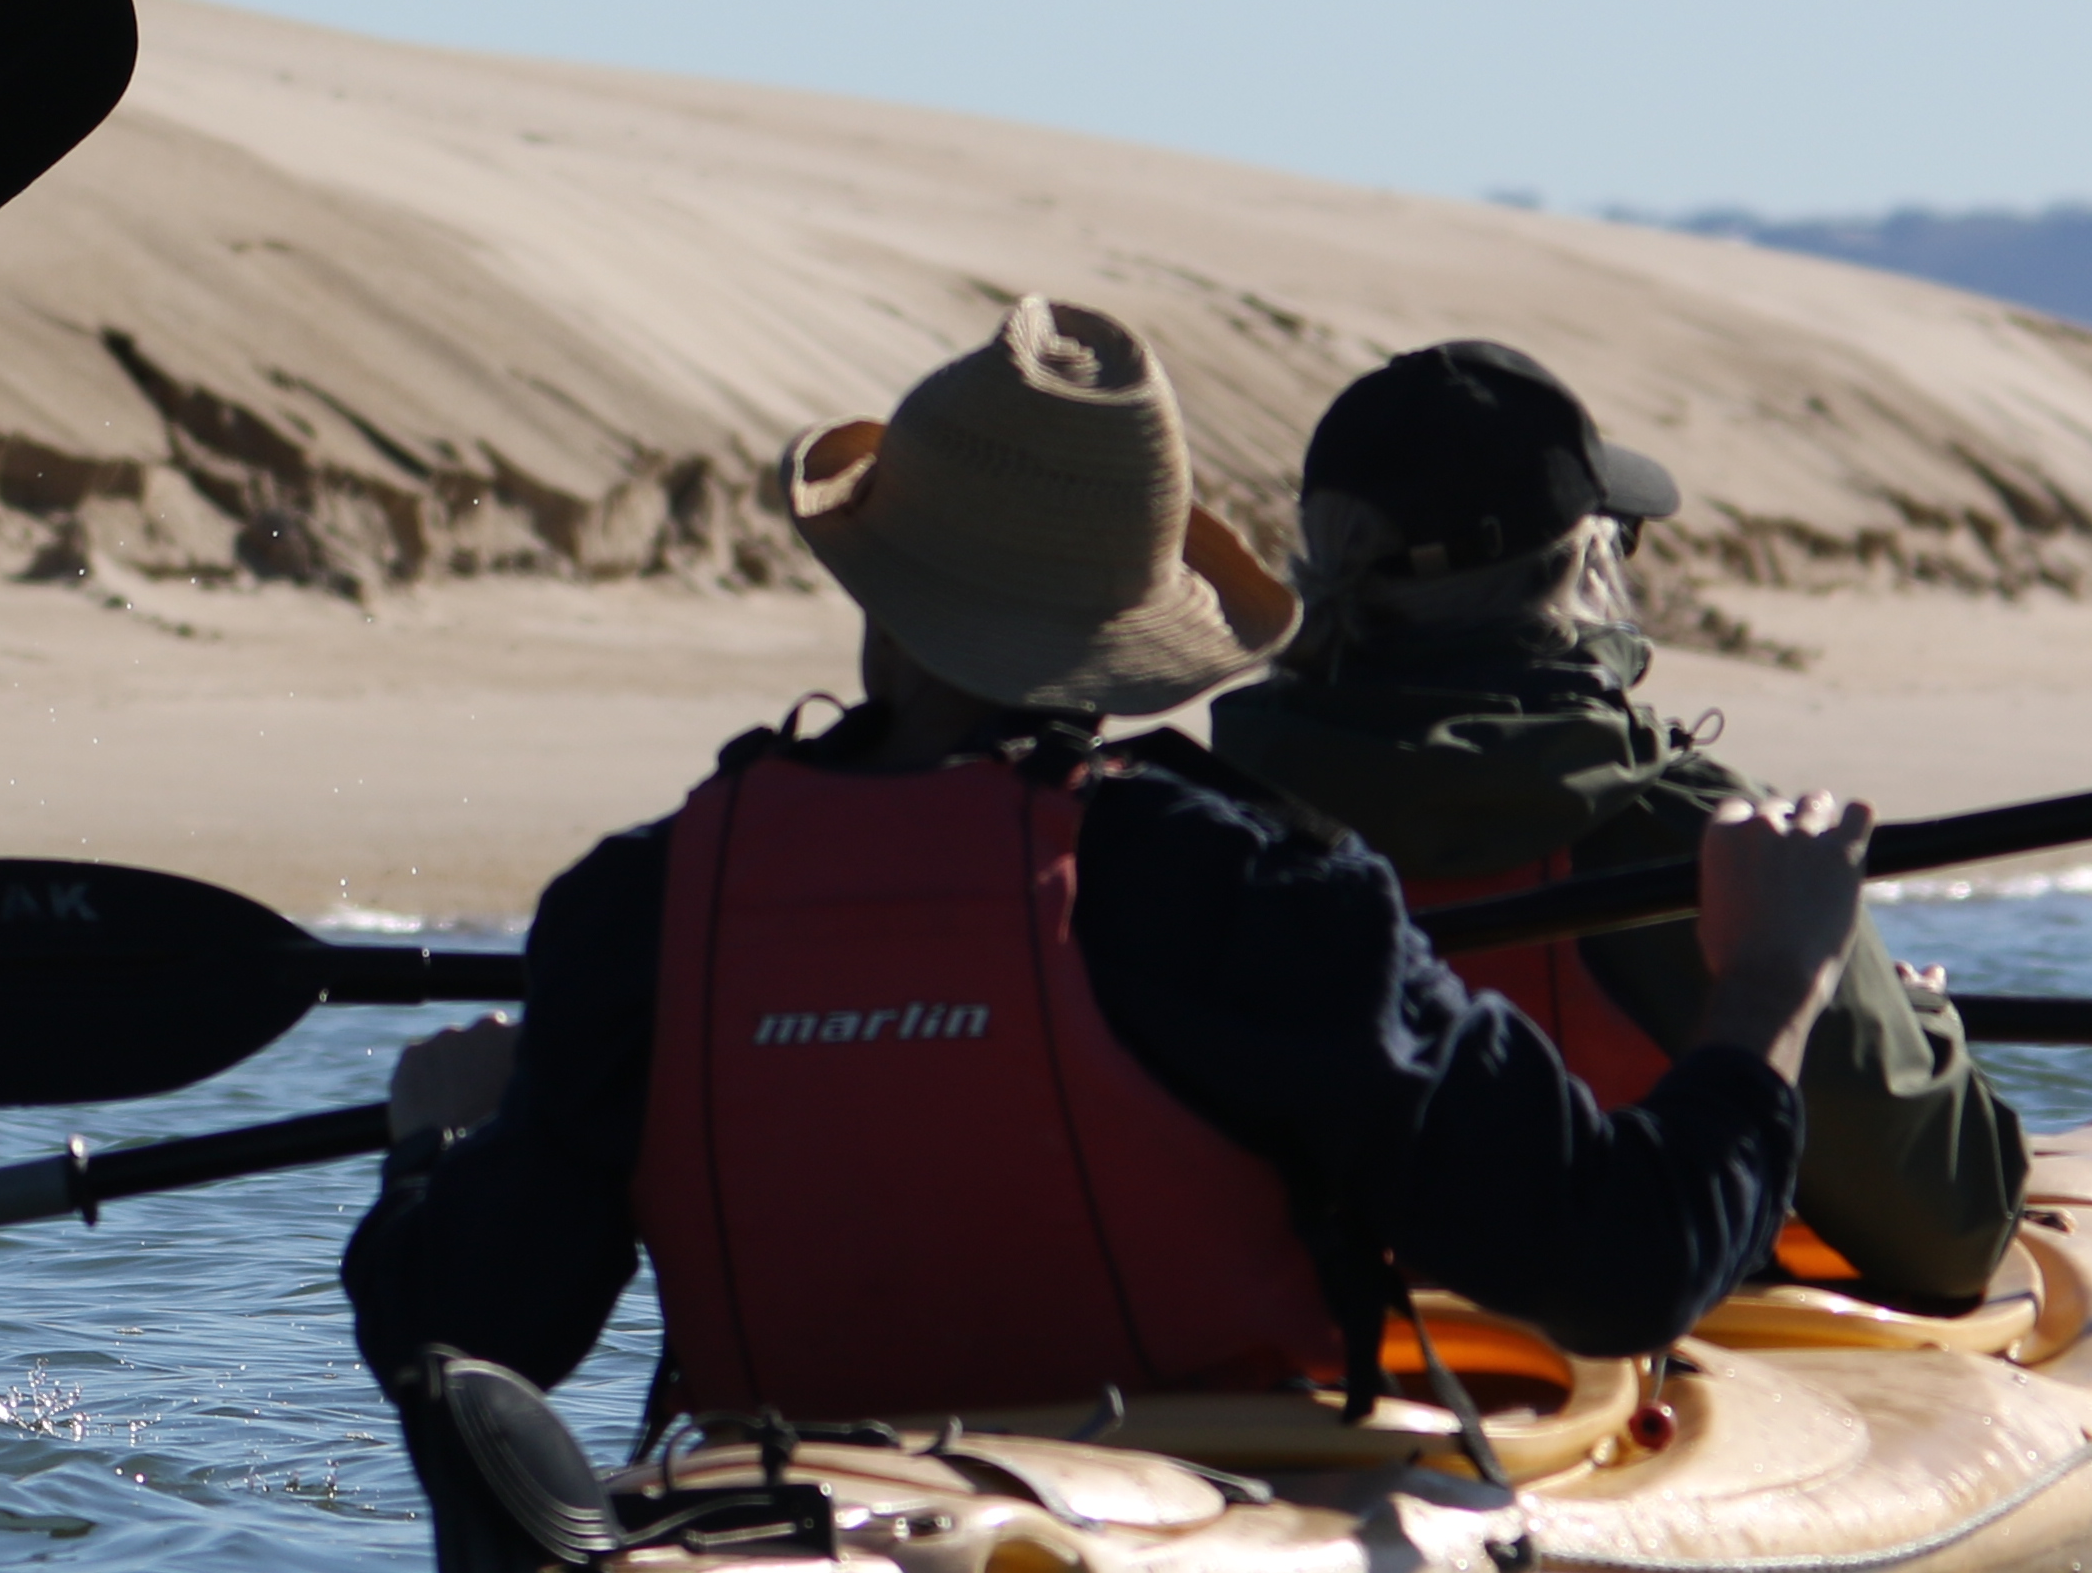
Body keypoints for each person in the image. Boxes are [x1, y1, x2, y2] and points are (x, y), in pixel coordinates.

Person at [342, 295, 1864, 1436]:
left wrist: (440, 1150)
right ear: (1135, 636)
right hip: (1211, 1530)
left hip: (784, 1519)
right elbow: (1630, 1262)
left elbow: (463, 1343)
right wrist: (1769, 992)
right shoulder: (1251, 895)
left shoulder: (635, 908)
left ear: (877, 598)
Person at [1209, 338, 2026, 1311]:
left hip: (1286, 1334)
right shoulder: (1695, 836)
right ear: (1586, 563)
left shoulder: (1189, 823)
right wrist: (1919, 1020)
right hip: (1615, 1338)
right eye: (1621, 540)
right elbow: (1954, 1233)